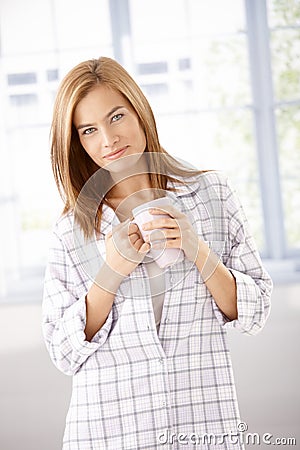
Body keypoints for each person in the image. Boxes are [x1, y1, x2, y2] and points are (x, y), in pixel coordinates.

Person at [42, 56, 272, 450]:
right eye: (89, 130)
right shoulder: (71, 230)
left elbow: (255, 310)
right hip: (109, 432)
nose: (108, 140)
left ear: (139, 109)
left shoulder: (211, 194)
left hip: (203, 424)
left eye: (116, 117)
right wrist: (110, 273)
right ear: (77, 141)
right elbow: (63, 352)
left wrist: (196, 248)